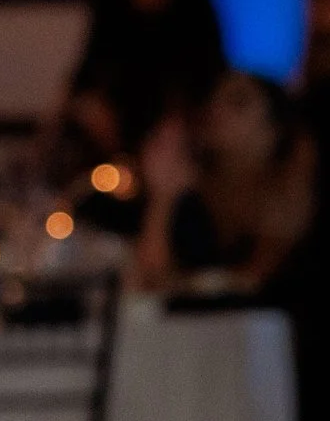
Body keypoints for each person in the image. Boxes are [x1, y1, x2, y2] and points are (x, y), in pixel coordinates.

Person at [133, 72, 312, 294]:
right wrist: (162, 198)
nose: (215, 108)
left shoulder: (286, 194)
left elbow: (255, 282)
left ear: (272, 130)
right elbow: (148, 280)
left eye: (238, 102)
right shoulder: (190, 188)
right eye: (213, 97)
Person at [70, 0, 227, 151]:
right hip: (112, 136)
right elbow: (85, 78)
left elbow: (211, 78)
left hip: (181, 139)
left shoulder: (194, 5)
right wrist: (94, 112)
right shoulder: (113, 3)